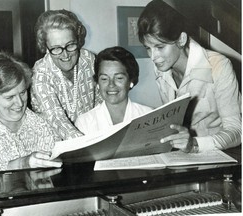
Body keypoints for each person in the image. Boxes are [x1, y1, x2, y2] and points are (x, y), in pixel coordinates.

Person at [137, 0, 241, 153]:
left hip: (220, 155)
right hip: (181, 155)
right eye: (148, 48)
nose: (153, 57)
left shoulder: (219, 65)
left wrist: (194, 144)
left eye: (160, 47)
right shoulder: (161, 67)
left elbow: (237, 131)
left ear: (181, 39)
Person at [0, 51, 62, 174]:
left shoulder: (44, 123)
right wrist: (23, 163)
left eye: (23, 92)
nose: (19, 103)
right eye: (10, 97)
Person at [31, 9, 102, 140]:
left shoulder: (89, 60)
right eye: (56, 48)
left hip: (92, 137)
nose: (65, 55)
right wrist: (86, 143)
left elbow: (100, 102)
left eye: (70, 45)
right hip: (57, 147)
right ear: (46, 47)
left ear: (78, 40)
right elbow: (56, 119)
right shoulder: (41, 74)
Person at [75, 46, 152, 134]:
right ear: (97, 83)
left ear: (131, 80)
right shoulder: (84, 122)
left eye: (119, 78)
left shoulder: (149, 115)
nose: (111, 84)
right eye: (104, 79)